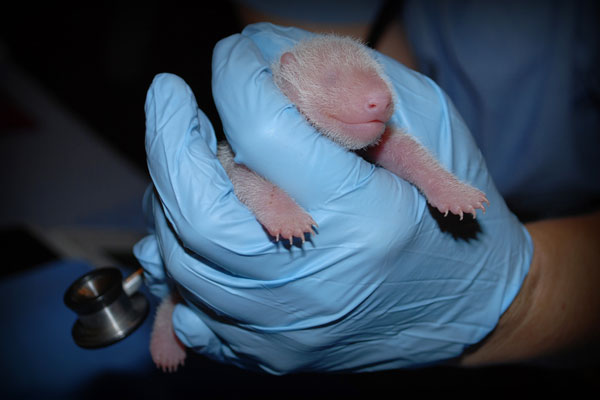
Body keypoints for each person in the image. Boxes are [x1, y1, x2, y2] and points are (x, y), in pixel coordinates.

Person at [134, 2, 599, 374]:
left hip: (563, 224)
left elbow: (402, 151)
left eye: (374, 77)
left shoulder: (368, 116)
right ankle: (166, 321)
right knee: (188, 274)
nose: (378, 96)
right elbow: (241, 178)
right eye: (335, 79)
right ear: (288, 77)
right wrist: (275, 204)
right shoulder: (265, 124)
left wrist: (442, 185)